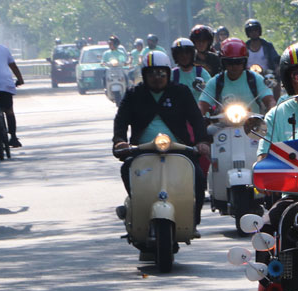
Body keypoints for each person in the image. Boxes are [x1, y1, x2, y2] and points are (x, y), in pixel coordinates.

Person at [112, 51, 210, 227]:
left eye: (161, 73)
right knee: (126, 168)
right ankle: (137, 206)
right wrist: (119, 141)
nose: (157, 78)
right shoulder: (134, 94)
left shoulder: (181, 92)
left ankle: (193, 218)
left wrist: (202, 141)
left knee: (199, 176)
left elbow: (196, 118)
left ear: (168, 73)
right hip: (142, 150)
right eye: (152, 74)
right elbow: (121, 120)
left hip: (179, 149)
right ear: (144, 75)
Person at [197, 38, 274, 116]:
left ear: (244, 62)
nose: (234, 66)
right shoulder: (215, 82)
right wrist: (199, 116)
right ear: (223, 63)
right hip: (222, 125)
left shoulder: (255, 79)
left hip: (254, 126)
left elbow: (270, 101)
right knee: (210, 129)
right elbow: (202, 104)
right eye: (229, 62)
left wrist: (271, 114)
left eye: (238, 62)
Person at [0, 29, 25, 147]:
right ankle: (14, 138)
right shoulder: (4, 49)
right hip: (4, 84)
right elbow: (13, 66)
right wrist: (20, 80)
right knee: (9, 111)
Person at [170, 38, 211, 102]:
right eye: (180, 54)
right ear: (175, 56)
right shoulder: (172, 74)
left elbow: (211, 89)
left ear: (193, 54)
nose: (184, 56)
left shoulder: (201, 72)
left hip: (200, 111)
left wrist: (203, 86)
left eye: (187, 53)